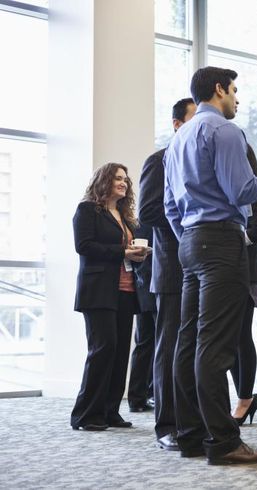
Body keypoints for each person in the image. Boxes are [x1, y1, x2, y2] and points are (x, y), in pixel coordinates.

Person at [164, 66, 257, 465]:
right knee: (215, 344)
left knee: (188, 341)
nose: (237, 99)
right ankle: (222, 441)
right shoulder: (224, 131)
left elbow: (171, 207)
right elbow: (241, 190)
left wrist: (190, 236)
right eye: (234, 90)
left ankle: (190, 435)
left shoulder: (177, 139)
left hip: (190, 243)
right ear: (218, 90)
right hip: (221, 241)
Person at [70, 162, 148, 431]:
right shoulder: (88, 210)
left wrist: (137, 255)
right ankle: (85, 415)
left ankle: (109, 411)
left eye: (126, 179)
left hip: (126, 291)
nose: (123, 183)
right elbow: (84, 246)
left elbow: (124, 251)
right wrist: (123, 252)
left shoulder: (125, 217)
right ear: (104, 181)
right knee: (102, 350)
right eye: (117, 178)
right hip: (99, 291)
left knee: (119, 353)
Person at [139, 96, 196, 450]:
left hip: (204, 267)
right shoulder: (159, 160)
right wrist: (194, 224)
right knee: (170, 346)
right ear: (177, 125)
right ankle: (167, 426)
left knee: (195, 348)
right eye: (194, 121)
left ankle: (195, 421)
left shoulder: (201, 162)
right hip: (172, 268)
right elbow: (148, 212)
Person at [229, 144, 257, 425]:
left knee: (242, 335)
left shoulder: (253, 189)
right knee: (227, 338)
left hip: (247, 270)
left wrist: (233, 239)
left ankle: (245, 397)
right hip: (222, 270)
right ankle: (241, 396)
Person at [127, 222, 156, 413]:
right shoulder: (144, 224)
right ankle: (138, 397)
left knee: (150, 343)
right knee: (146, 342)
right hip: (148, 287)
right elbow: (140, 262)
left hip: (153, 286)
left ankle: (146, 394)